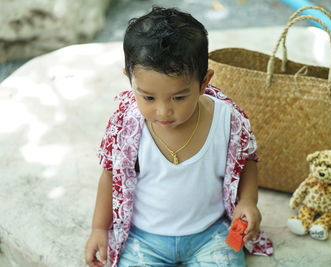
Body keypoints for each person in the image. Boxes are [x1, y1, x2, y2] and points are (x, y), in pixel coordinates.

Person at [84, 6, 273, 267]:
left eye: (179, 97)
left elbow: (248, 160)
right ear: (129, 79)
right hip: (144, 239)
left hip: (211, 233)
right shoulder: (126, 125)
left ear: (204, 83)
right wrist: (99, 229)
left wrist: (249, 202)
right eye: (148, 97)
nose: (163, 111)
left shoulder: (228, 120)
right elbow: (110, 174)